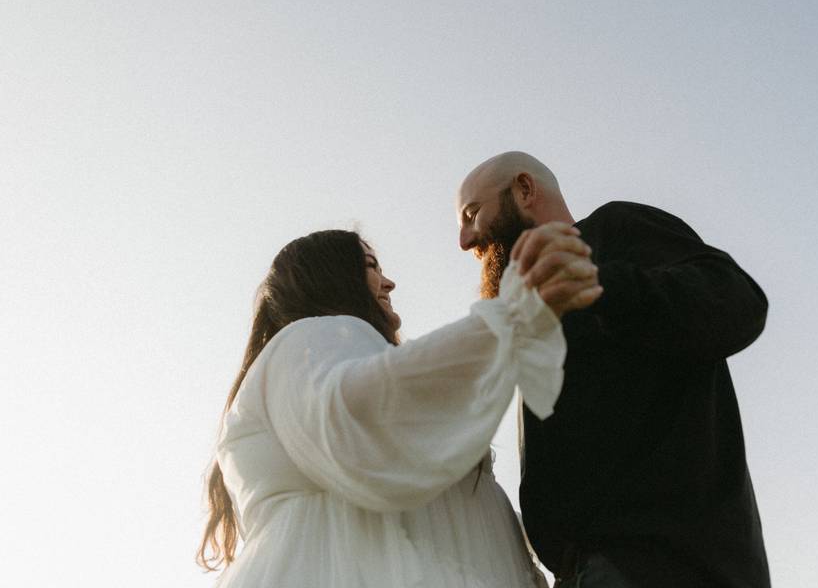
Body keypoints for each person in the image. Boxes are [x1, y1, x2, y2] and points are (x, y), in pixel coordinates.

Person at [197, 228, 602, 587]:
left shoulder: (316, 354)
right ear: (332, 276)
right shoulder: (312, 338)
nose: (388, 283)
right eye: (371, 266)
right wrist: (506, 321)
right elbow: (358, 411)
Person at [457, 152, 771, 587]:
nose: (465, 241)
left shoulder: (614, 231)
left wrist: (601, 285)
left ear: (524, 190)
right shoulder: (529, 318)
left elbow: (739, 302)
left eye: (472, 214)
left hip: (666, 566)